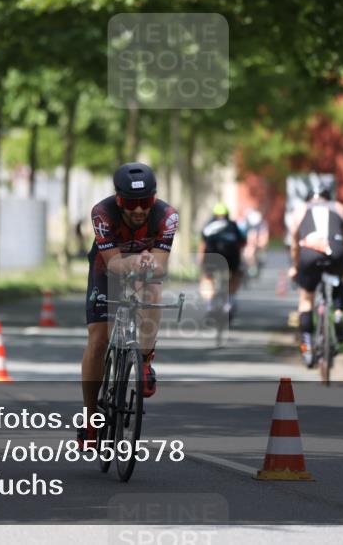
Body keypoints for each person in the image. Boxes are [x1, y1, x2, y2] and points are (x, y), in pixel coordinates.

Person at [78, 162, 179, 448]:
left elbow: (159, 265)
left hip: (143, 267)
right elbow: (114, 263)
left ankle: (145, 360)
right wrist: (134, 261)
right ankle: (90, 420)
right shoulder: (102, 213)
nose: (138, 210)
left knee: (153, 290)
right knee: (98, 340)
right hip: (105, 267)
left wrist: (146, 265)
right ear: (118, 201)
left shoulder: (167, 216)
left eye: (145, 203)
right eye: (130, 204)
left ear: (155, 199)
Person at [287, 176, 343, 368]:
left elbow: (294, 245)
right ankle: (338, 313)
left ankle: (307, 345)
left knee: (306, 299)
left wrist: (295, 267)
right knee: (341, 279)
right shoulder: (340, 208)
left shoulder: (300, 211)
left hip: (309, 254)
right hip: (336, 252)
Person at [198, 202, 246, 318]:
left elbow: (203, 244)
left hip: (212, 257)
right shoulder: (233, 225)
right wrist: (241, 260)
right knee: (235, 276)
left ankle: (209, 305)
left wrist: (200, 260)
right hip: (231, 258)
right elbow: (242, 242)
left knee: (208, 278)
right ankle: (230, 301)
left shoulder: (208, 225)